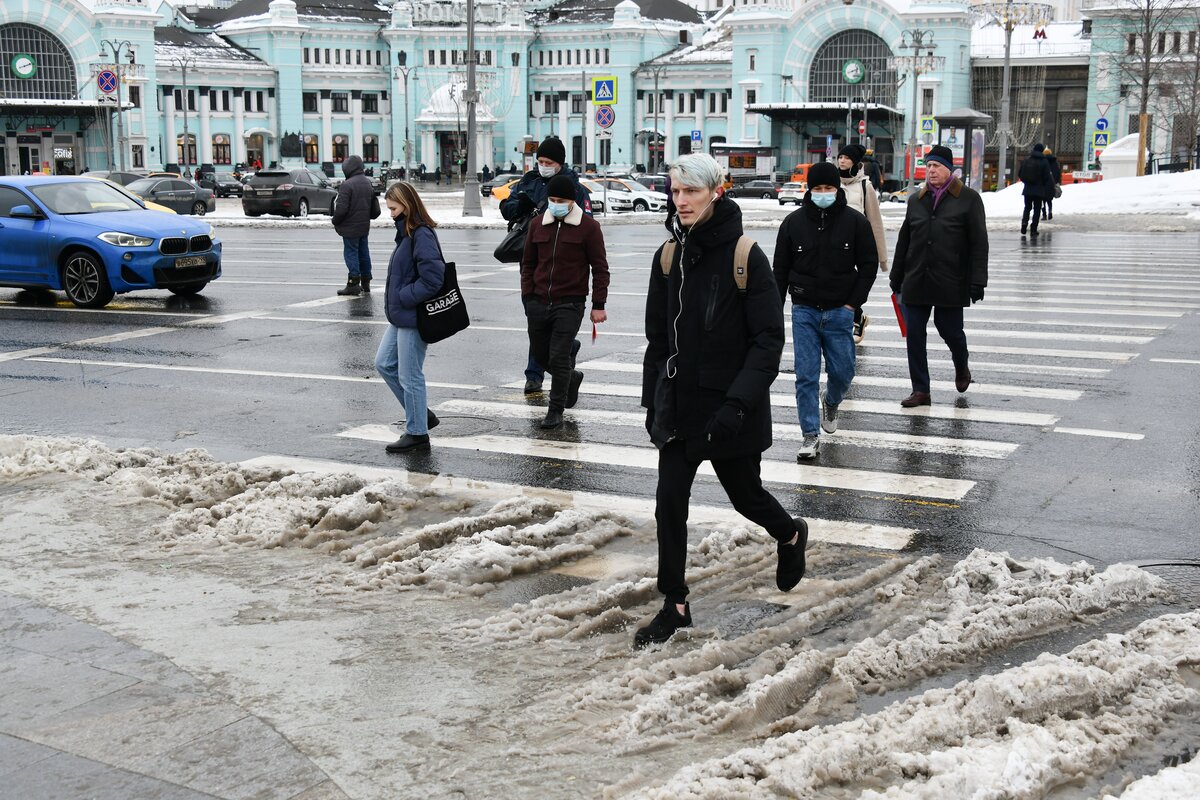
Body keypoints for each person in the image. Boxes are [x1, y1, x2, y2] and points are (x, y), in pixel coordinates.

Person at [635, 153, 809, 648]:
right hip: (679, 408)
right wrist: (653, 402)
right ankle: (675, 603)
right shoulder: (668, 255)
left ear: (715, 192)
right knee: (669, 502)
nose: (681, 200)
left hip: (730, 410)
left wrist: (736, 406)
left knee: (745, 497)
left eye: (691, 191)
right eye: (675, 191)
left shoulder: (745, 255)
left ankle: (791, 534)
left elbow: (768, 341)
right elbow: (657, 339)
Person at [774, 160, 878, 461]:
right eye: (817, 188)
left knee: (843, 372)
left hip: (839, 311)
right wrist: (773, 309)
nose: (823, 193)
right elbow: (780, 270)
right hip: (804, 309)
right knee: (805, 375)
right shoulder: (793, 223)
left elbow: (868, 265)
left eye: (828, 188)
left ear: (837, 189)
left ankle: (831, 401)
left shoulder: (854, 222)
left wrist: (852, 304)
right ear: (809, 190)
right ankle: (809, 435)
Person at [890, 144, 989, 408]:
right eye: (928, 166)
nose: (931, 171)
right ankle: (921, 390)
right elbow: (904, 240)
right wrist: (896, 275)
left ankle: (961, 364)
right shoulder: (916, 199)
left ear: (949, 170)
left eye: (936, 166)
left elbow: (979, 242)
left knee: (950, 330)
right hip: (916, 278)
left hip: (950, 279)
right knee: (915, 335)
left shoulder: (968, 199)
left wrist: (978, 280)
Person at [501, 136, 593, 393]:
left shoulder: (574, 187)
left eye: (548, 162)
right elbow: (507, 209)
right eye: (540, 161)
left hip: (562, 266)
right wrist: (518, 205)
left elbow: (586, 223)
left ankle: (538, 371)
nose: (543, 165)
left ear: (560, 163)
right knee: (535, 320)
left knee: (548, 322)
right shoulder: (528, 182)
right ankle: (540, 370)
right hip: (531, 262)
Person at [521, 173, 610, 429]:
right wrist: (528, 296)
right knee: (540, 354)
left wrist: (598, 304)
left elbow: (600, 268)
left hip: (570, 303)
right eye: (551, 199)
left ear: (572, 201)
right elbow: (528, 264)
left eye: (560, 199)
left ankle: (555, 409)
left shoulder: (589, 228)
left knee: (558, 357)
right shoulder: (537, 224)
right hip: (537, 302)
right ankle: (571, 376)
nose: (555, 203)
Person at [375, 182, 445, 454]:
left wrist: (404, 296)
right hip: (401, 315)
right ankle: (420, 413)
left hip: (413, 315)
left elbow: (433, 279)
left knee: (410, 375)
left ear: (407, 205)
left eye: (393, 208)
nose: (390, 213)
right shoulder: (405, 233)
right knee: (383, 363)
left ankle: (417, 433)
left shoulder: (421, 234)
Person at [836, 144, 888, 344]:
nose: (842, 161)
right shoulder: (831, 182)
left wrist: (881, 257)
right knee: (840, 283)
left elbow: (875, 221)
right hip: (834, 241)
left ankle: (856, 317)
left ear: (856, 162)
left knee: (854, 283)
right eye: (840, 157)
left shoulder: (865, 186)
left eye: (847, 158)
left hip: (858, 242)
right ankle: (857, 317)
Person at [331, 154, 381, 296]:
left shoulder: (347, 185)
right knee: (364, 252)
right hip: (363, 227)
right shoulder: (367, 183)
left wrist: (334, 220)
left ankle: (353, 283)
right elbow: (375, 211)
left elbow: (341, 209)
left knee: (351, 252)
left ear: (349, 169)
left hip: (350, 228)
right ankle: (366, 282)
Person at [1018, 143, 1055, 237]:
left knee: (1027, 207)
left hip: (1027, 189)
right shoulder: (1044, 161)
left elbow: (1020, 174)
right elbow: (1047, 177)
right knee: (1037, 209)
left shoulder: (1027, 160)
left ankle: (1024, 224)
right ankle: (1033, 229)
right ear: (1042, 151)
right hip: (1039, 190)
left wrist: (1027, 182)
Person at [1043, 147, 1061, 220]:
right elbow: (1058, 173)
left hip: (1044, 183)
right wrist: (1056, 182)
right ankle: (1050, 212)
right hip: (1052, 184)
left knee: (1042, 200)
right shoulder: (1054, 162)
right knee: (1049, 200)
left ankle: (1044, 215)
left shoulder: (1043, 161)